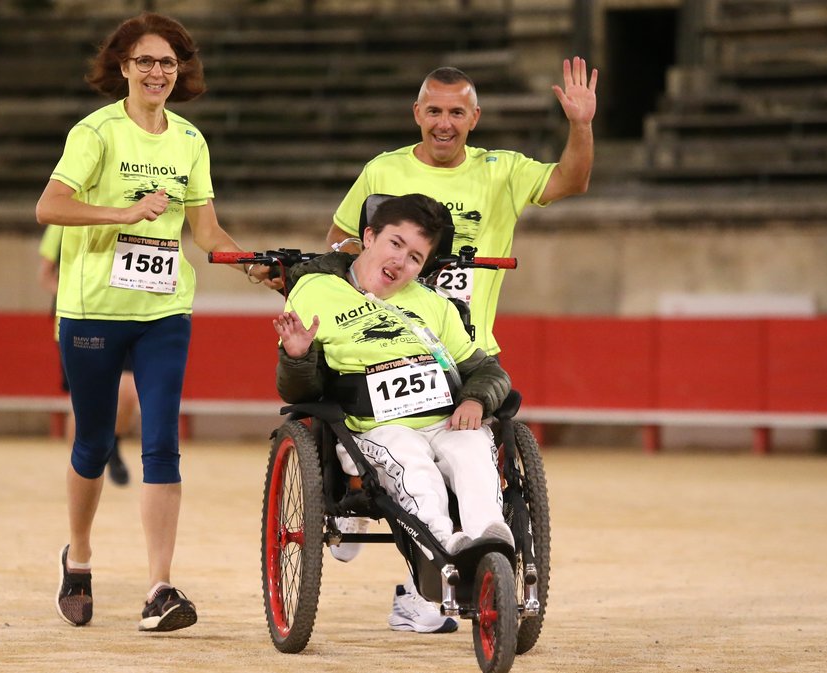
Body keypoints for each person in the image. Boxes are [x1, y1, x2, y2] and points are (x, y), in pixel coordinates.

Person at [323, 58, 598, 632]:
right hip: (382, 345)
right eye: (434, 111)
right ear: (416, 114)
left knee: (468, 449)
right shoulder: (383, 169)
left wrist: (580, 125)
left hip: (462, 346)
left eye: (456, 112)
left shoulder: (501, 170)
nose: (444, 123)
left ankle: (450, 575)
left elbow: (570, 181)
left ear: (474, 118)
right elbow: (341, 240)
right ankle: (359, 508)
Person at [35, 12, 278, 633]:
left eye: (168, 62)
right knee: (92, 443)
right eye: (144, 61)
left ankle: (159, 588)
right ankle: (79, 559)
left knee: (162, 441)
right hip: (93, 310)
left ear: (180, 72)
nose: (156, 72)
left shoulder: (189, 142)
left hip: (163, 310)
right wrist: (127, 210)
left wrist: (254, 265)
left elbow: (205, 230)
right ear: (123, 67)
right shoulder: (96, 132)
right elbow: (49, 206)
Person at [275, 194, 513, 634]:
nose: (401, 261)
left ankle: (490, 544)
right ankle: (444, 550)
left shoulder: (433, 305)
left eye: (416, 256)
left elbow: (486, 369)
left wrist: (475, 399)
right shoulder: (316, 291)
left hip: (443, 418)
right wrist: (298, 356)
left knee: (474, 451)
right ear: (368, 237)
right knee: (412, 462)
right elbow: (300, 391)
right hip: (375, 428)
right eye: (395, 244)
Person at [38, 224, 133, 486]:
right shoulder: (60, 222)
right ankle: (79, 472)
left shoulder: (126, 213)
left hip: (124, 316)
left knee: (128, 394)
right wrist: (76, 294)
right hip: (79, 317)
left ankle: (113, 443)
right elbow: (45, 275)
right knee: (81, 404)